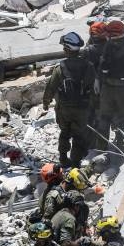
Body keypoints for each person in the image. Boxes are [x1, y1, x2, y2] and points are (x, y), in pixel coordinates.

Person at [42, 32, 96, 167]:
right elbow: (93, 88)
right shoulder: (88, 66)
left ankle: (63, 158)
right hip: (82, 109)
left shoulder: (59, 68)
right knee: (79, 134)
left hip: (64, 108)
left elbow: (51, 87)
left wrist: (46, 102)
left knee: (65, 133)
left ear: (67, 49)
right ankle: (75, 162)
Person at [89, 19, 124, 151]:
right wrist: (98, 79)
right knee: (105, 119)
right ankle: (104, 149)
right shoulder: (109, 46)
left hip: (122, 90)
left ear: (113, 35)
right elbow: (103, 64)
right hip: (109, 88)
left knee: (122, 121)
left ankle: (122, 148)